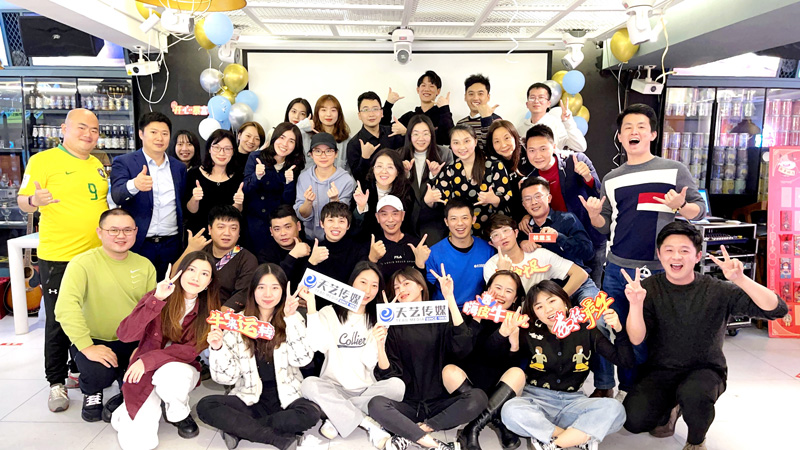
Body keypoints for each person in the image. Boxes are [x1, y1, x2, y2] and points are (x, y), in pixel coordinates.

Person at [622, 221, 788, 450]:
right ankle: (672, 407)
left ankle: (697, 440)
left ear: (698, 256)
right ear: (659, 255)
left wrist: (740, 279)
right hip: (661, 369)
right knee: (633, 420)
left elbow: (777, 310)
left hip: (705, 369)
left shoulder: (717, 289)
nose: (676, 257)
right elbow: (636, 339)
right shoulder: (648, 288)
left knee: (695, 397)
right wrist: (635, 304)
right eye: (669, 250)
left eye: (684, 250)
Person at [580, 104, 706, 397]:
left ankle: (647, 391)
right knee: (611, 327)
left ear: (653, 134)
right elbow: (605, 226)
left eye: (640, 127)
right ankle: (611, 387)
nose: (633, 132)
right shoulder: (612, 178)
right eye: (627, 128)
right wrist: (595, 215)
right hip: (617, 268)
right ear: (620, 137)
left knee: (655, 333)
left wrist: (681, 206)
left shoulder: (674, 170)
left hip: (660, 269)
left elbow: (699, 211)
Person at [17, 107, 109, 412]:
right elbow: (23, 202)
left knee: (89, 317)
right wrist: (34, 200)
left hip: (95, 256)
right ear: (64, 129)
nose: (89, 134)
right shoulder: (43, 161)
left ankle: (78, 369)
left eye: (94, 130)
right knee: (59, 320)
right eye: (82, 127)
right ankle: (55, 382)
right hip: (60, 257)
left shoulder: (96, 164)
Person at [197, 263, 322, 450]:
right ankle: (276, 438)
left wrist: (290, 319)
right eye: (261, 287)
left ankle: (241, 429)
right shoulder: (237, 323)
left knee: (310, 413)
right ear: (253, 290)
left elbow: (303, 360)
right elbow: (226, 378)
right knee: (206, 406)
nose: (268, 294)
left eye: (275, 288)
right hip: (249, 396)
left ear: (283, 291)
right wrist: (217, 348)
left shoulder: (293, 318)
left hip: (286, 396)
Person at [500, 280, 635, 450]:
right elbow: (512, 369)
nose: (548, 309)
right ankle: (576, 437)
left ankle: (553, 443)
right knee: (510, 410)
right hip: (536, 400)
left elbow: (625, 361)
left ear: (565, 302)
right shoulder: (529, 331)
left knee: (615, 409)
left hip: (573, 402)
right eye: (539, 307)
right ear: (535, 313)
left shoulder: (586, 329)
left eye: (552, 301)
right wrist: (513, 345)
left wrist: (619, 330)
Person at [55, 208, 157, 422]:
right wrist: (87, 346)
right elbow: (65, 307)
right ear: (99, 232)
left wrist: (145, 346)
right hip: (95, 339)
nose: (121, 235)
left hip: (133, 341)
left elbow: (152, 311)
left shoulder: (145, 265)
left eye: (127, 230)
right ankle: (92, 391)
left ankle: (124, 386)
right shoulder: (82, 263)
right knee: (98, 372)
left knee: (143, 375)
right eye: (113, 230)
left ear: (136, 232)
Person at [111, 252, 220, 450]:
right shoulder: (159, 295)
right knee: (139, 443)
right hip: (143, 369)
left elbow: (189, 351)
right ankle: (125, 409)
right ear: (181, 272)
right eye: (191, 270)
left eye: (204, 274)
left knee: (170, 375)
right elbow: (125, 335)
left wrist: (147, 360)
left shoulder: (211, 311)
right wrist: (157, 299)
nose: (196, 277)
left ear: (209, 282)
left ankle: (179, 414)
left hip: (179, 370)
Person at [369, 266, 486, 450]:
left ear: (421, 286)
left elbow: (462, 347)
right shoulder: (392, 324)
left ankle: (418, 431)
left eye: (406, 283)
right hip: (407, 405)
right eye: (396, 287)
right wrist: (380, 345)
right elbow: (388, 375)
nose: (401, 290)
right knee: (376, 404)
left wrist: (449, 298)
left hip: (439, 405)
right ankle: (435, 444)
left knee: (478, 397)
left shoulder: (438, 313)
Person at [517, 177, 612, 399]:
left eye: (538, 196)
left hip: (578, 284)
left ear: (549, 197)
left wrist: (558, 238)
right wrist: (522, 243)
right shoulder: (523, 228)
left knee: (597, 321)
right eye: (528, 199)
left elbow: (588, 251)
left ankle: (605, 384)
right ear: (523, 205)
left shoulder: (567, 219)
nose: (533, 202)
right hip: (546, 293)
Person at [300, 261, 405, 449]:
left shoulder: (377, 318)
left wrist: (378, 337)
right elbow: (318, 345)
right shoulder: (329, 312)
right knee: (308, 384)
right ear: (352, 282)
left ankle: (338, 415)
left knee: (397, 386)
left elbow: (369, 362)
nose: (368, 290)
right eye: (363, 282)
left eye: (374, 285)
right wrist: (311, 306)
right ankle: (367, 423)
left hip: (366, 390)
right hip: (333, 387)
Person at [447, 270, 529, 450]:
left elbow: (512, 368)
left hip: (498, 387)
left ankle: (473, 428)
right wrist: (478, 318)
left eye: (508, 291)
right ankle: (496, 419)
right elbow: (462, 353)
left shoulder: (518, 321)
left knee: (518, 374)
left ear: (515, 298)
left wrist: (514, 344)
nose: (501, 294)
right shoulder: (469, 313)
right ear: (487, 290)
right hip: (469, 384)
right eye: (497, 288)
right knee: (448, 371)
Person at [520, 124, 606, 286]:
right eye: (532, 150)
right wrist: (526, 215)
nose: (537, 155)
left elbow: (600, 194)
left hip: (590, 235)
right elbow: (534, 205)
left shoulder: (576, 161)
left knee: (592, 288)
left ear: (553, 147)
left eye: (543, 149)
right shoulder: (531, 178)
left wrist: (588, 177)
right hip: (561, 241)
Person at [111, 111, 186, 279]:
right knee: (137, 288)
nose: (160, 138)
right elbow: (117, 195)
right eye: (153, 132)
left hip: (171, 243)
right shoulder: (125, 162)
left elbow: (181, 202)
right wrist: (134, 185)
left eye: (165, 133)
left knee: (168, 288)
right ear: (141, 134)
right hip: (139, 242)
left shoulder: (178, 167)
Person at [173, 205, 257, 308]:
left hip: (222, 313)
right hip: (190, 309)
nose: (227, 233)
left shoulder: (247, 259)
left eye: (233, 228)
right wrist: (190, 249)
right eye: (221, 227)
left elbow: (242, 294)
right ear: (210, 229)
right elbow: (173, 278)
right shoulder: (200, 249)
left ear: (239, 232)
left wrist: (217, 316)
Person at [483, 214, 588, 296]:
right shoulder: (491, 266)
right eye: (495, 235)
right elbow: (499, 300)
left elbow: (580, 274)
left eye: (506, 231)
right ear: (491, 243)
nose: (503, 237)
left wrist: (559, 298)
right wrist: (502, 272)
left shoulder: (539, 254)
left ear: (516, 233)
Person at [434, 125, 512, 233]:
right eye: (456, 143)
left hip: (493, 229)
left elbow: (507, 198)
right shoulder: (449, 170)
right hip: (462, 230)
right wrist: (431, 197)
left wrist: (494, 199)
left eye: (466, 141)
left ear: (475, 141)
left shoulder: (494, 165)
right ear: (450, 145)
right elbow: (441, 199)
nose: (462, 147)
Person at [242, 122, 305, 256]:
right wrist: (257, 176)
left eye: (291, 141)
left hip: (278, 226)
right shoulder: (256, 157)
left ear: (296, 145)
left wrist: (289, 183)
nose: (285, 144)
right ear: (274, 138)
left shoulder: (294, 166)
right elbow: (245, 191)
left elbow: (289, 203)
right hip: (254, 223)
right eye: (282, 138)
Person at [425, 198, 495, 306]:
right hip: (445, 312)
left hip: (478, 311)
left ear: (473, 219)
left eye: (465, 218)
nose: (460, 223)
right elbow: (426, 290)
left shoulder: (488, 250)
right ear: (446, 222)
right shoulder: (434, 253)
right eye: (454, 219)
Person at [399, 114, 453, 244]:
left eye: (425, 133)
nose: (421, 138)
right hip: (406, 221)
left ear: (432, 134)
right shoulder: (398, 155)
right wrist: (404, 176)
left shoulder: (444, 154)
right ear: (409, 135)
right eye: (416, 134)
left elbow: (449, 190)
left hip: (434, 221)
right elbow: (395, 192)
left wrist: (434, 177)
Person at [295, 132, 355, 241]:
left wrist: (335, 200)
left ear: (336, 154)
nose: (323, 156)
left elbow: (344, 217)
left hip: (337, 239)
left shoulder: (347, 180)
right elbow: (302, 215)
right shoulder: (303, 178)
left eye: (328, 151)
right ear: (311, 154)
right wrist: (308, 202)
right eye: (318, 151)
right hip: (310, 238)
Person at [184, 129, 244, 234]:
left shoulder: (239, 177)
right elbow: (191, 211)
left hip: (226, 236)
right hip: (199, 234)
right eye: (217, 148)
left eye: (227, 149)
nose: (222, 153)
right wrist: (195, 199)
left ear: (233, 151)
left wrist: (238, 203)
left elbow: (236, 214)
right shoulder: (194, 174)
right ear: (209, 149)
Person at [380, 71, 455, 146]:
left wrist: (445, 108)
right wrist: (388, 104)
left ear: (438, 91)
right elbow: (383, 129)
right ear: (418, 90)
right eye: (423, 85)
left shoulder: (442, 116)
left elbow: (448, 139)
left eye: (431, 86)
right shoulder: (409, 117)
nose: (427, 89)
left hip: (434, 153)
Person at [352, 148, 413, 238]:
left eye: (390, 167)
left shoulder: (406, 190)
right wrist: (361, 207)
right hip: (367, 240)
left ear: (398, 172)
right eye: (379, 166)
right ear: (373, 169)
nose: (384, 171)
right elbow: (354, 228)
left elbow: (408, 225)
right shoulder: (363, 189)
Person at [346, 91, 405, 183]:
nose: (371, 114)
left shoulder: (393, 133)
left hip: (396, 187)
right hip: (370, 190)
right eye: (366, 110)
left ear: (381, 113)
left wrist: (406, 133)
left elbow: (407, 157)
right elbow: (358, 178)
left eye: (375, 109)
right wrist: (365, 158)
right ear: (359, 115)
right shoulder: (354, 143)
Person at [368, 195, 430, 280]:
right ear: (377, 217)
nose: (390, 219)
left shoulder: (417, 244)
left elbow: (425, 285)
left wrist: (420, 265)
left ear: (403, 215)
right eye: (384, 214)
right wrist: (371, 260)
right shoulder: (372, 246)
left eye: (395, 213)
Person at [306, 201, 370, 285]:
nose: (336, 226)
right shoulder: (313, 250)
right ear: (322, 223)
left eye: (341, 221)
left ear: (348, 225)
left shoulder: (358, 251)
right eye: (330, 220)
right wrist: (312, 262)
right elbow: (302, 285)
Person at [252, 205, 312, 293]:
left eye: (288, 227)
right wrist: (293, 255)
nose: (283, 233)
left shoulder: (314, 247)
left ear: (298, 226)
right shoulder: (265, 255)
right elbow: (272, 283)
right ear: (271, 231)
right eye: (277, 229)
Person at [517, 82, 587, 152]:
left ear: (548, 103)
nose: (536, 101)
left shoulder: (557, 125)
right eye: (532, 98)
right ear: (527, 104)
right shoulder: (521, 129)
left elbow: (581, 147)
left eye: (541, 98)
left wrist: (568, 123)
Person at [486, 120, 525, 221]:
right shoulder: (492, 165)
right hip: (511, 217)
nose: (503, 145)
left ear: (514, 136)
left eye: (507, 138)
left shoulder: (527, 152)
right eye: (497, 141)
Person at [456, 74, 501, 149]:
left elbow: (493, 149)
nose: (475, 98)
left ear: (488, 97)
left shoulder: (496, 121)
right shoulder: (461, 124)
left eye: (480, 94)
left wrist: (486, 119)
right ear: (465, 97)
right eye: (471, 94)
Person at [310, 94, 351, 170]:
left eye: (333, 110)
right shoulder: (307, 136)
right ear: (317, 112)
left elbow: (349, 170)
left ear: (339, 113)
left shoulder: (346, 140)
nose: (328, 114)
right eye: (324, 110)